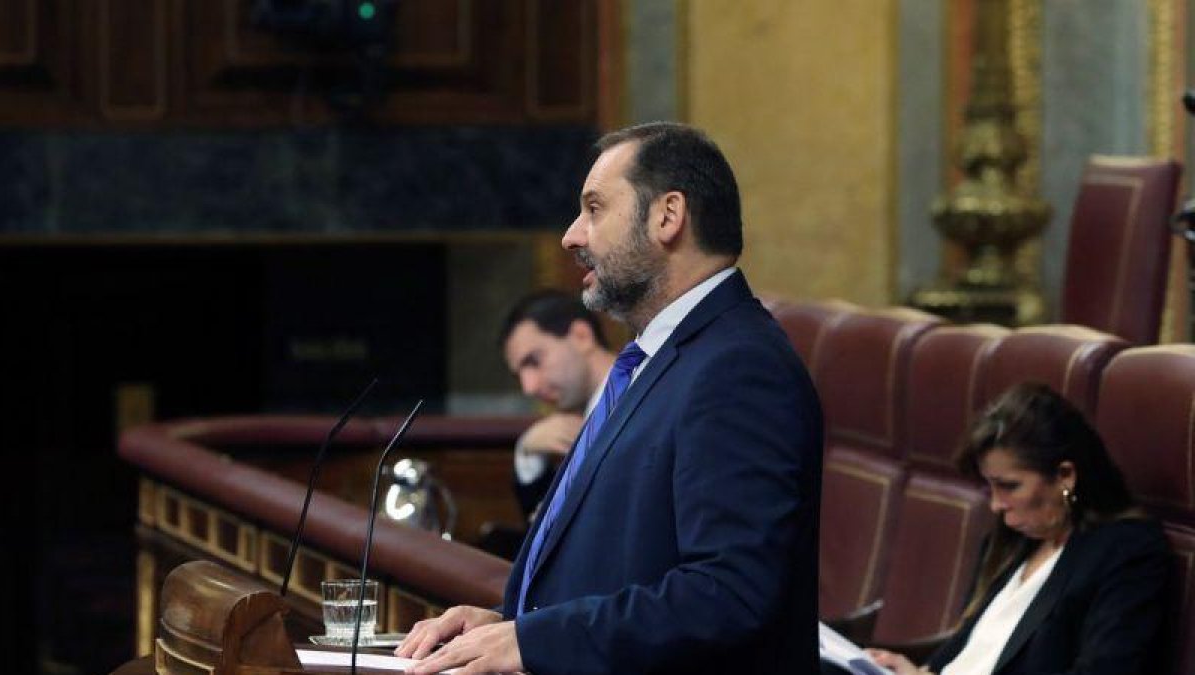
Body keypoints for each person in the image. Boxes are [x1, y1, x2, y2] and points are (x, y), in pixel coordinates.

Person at [397, 122, 824, 674]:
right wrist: (510, 625)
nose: (572, 236)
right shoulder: (658, 360)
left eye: (595, 209)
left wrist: (536, 642)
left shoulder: (739, 368)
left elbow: (729, 594)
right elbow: (622, 559)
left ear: (668, 216)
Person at [868, 382, 1170, 675]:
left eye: (1009, 486)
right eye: (991, 487)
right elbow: (968, 653)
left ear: (1065, 475)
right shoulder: (1012, 541)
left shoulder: (1127, 551)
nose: (996, 505)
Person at [498, 290, 616, 520]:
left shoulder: (644, 398)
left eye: (533, 361)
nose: (528, 387)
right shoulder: (580, 420)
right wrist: (528, 455)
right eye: (519, 375)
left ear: (582, 336)